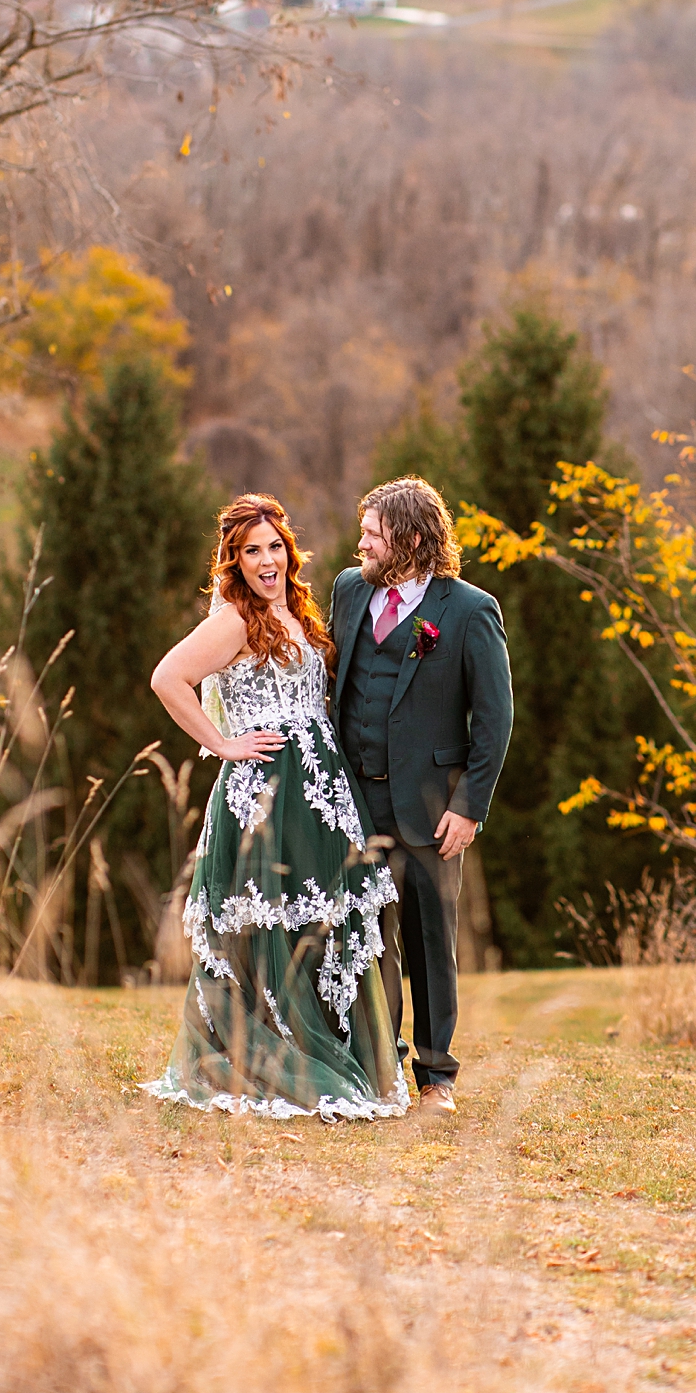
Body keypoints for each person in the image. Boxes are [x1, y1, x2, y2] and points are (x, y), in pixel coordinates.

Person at [142, 494, 408, 1120]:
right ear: (234, 561)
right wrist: (221, 744)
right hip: (264, 790)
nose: (266, 561)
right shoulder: (234, 618)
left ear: (290, 549)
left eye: (274, 547)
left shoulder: (300, 612)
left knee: (319, 925)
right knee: (272, 930)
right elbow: (167, 678)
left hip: (320, 792)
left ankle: (336, 1049)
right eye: (251, 551)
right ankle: (266, 1058)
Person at [329, 477, 513, 1113]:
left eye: (373, 535)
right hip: (353, 801)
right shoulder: (349, 592)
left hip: (434, 811)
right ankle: (379, 1066)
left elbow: (494, 719)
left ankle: (437, 1079)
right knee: (364, 937)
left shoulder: (468, 610)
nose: (361, 545)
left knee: (431, 940)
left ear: (408, 541)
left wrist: (470, 806)